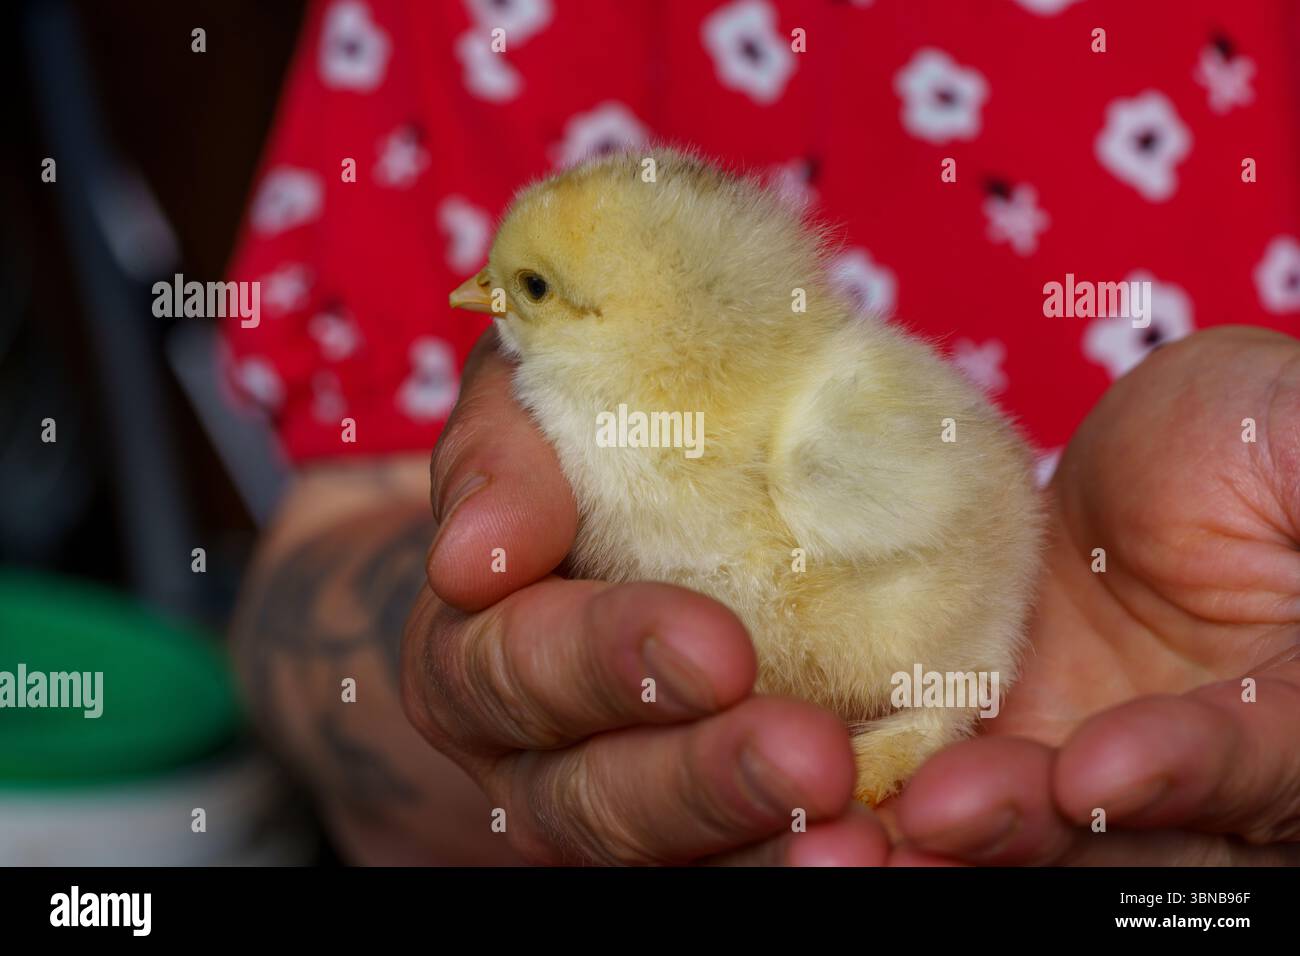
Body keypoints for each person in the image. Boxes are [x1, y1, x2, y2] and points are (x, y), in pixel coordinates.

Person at [225, 0, 1300, 864]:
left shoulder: (821, 422)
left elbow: (963, 518)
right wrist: (493, 692)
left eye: (532, 287)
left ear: (610, 315)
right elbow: (323, 561)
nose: (483, 296)